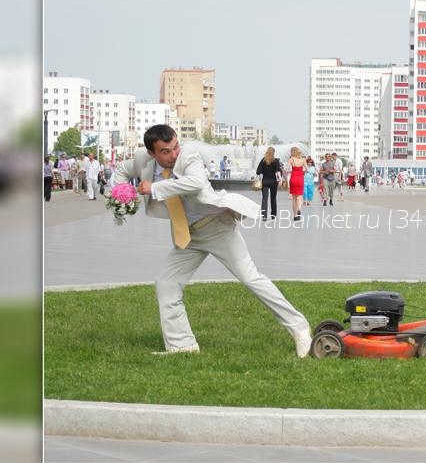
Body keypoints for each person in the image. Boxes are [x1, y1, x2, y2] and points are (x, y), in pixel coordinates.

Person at [113, 124, 312, 357]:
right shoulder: (141, 159)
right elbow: (121, 170)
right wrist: (121, 196)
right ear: (151, 153)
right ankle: (182, 345)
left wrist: (155, 188)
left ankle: (300, 329)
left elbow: (196, 183)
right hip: (187, 235)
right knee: (166, 283)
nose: (174, 154)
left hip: (217, 227)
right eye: (165, 152)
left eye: (175, 146)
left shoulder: (189, 154)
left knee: (250, 278)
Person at [255, 146, 282, 220]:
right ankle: (273, 215)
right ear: (273, 153)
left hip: (265, 182)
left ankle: (264, 216)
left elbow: (258, 171)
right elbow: (278, 172)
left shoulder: (263, 160)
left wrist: (261, 175)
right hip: (273, 182)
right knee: (273, 198)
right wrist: (280, 180)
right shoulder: (276, 161)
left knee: (264, 199)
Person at [286, 146, 307, 221]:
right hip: (300, 179)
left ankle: (295, 215)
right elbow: (307, 169)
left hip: (293, 178)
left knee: (294, 198)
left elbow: (286, 169)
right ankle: (299, 209)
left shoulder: (291, 159)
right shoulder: (303, 159)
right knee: (299, 196)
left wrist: (290, 171)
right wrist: (302, 171)